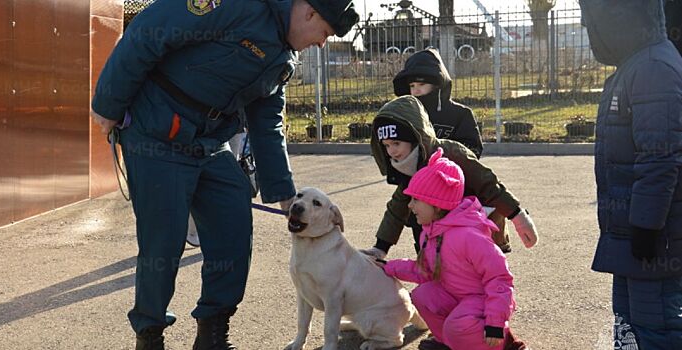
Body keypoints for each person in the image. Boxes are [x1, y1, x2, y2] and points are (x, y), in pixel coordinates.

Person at [90, 0, 358, 349]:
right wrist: (108, 104)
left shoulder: (283, 57)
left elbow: (267, 121)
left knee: (233, 224)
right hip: (157, 133)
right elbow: (147, 31)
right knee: (164, 240)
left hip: (209, 142)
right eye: (324, 33)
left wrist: (282, 190)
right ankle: (150, 333)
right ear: (309, 12)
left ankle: (212, 333)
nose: (322, 44)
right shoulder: (238, 6)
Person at [581, 0, 682, 349]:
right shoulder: (637, 65)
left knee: (659, 330)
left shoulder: (654, 68)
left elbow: (660, 156)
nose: (588, 29)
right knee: (633, 329)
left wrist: (645, 227)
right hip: (632, 238)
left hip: (655, 241)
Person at [381, 148, 527, 350]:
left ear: (437, 204)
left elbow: (499, 278)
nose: (410, 206)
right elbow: (425, 271)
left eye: (416, 200)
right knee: (423, 296)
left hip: (482, 300)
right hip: (455, 295)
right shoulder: (430, 232)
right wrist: (388, 267)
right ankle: (448, 343)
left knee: (457, 326)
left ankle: (503, 343)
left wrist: (495, 322)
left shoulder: (469, 235)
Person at [361, 95, 538, 259]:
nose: (391, 151)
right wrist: (380, 248)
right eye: (386, 145)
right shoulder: (407, 167)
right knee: (418, 214)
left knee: (483, 267)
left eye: (397, 143)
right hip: (445, 233)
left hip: (480, 222)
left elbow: (489, 185)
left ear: (415, 138)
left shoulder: (451, 153)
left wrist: (518, 217)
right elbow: (397, 208)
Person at [393, 48, 483, 158]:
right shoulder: (403, 115)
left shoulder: (461, 114)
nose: (416, 90)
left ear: (437, 85)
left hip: (449, 173)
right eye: (412, 86)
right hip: (412, 174)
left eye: (421, 84)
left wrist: (442, 161)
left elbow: (473, 151)